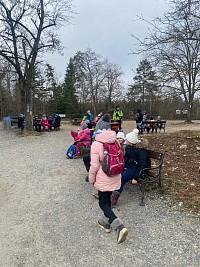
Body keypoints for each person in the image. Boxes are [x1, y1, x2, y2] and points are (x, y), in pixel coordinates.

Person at [89, 113, 128, 244]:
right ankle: (106, 223)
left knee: (103, 203)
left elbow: (94, 166)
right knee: (107, 201)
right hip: (116, 176)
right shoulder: (116, 140)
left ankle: (119, 226)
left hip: (103, 177)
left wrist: (91, 179)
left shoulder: (96, 144)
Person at [111, 129, 150, 208]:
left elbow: (143, 165)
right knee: (116, 174)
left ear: (131, 141)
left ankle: (114, 200)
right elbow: (125, 158)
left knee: (122, 178)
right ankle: (109, 192)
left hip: (136, 168)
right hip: (128, 166)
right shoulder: (129, 147)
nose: (126, 140)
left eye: (127, 140)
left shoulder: (141, 151)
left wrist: (136, 177)